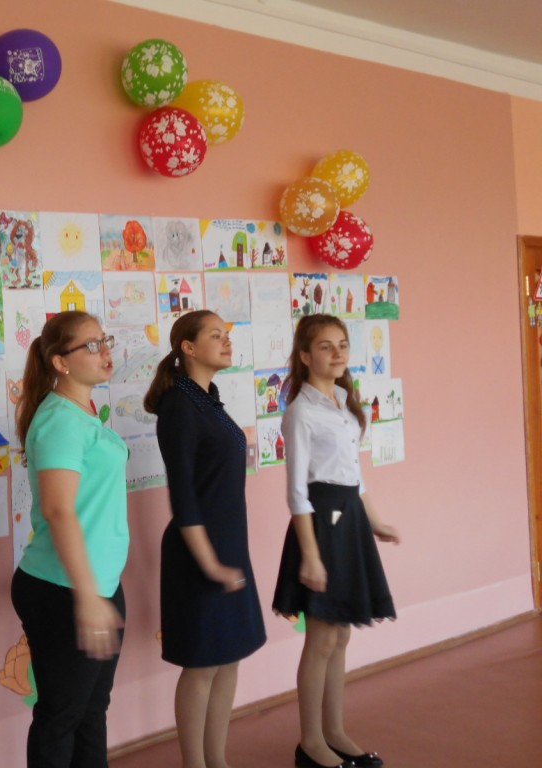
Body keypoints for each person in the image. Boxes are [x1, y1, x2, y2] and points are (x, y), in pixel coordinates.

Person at [271, 314, 400, 768]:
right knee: (321, 638)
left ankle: (335, 731)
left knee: (341, 634)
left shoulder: (344, 405)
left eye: (342, 344)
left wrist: (375, 521)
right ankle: (311, 743)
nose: (338, 352)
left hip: (349, 520)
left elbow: (354, 478)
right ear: (306, 356)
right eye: (326, 346)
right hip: (321, 524)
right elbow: (297, 492)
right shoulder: (300, 412)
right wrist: (310, 554)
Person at [143, 310, 266, 768]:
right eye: (216, 335)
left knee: (229, 659)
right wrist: (209, 562)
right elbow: (184, 497)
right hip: (198, 553)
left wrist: (225, 557)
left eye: (227, 334)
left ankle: (218, 761)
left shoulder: (208, 401)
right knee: (202, 665)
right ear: (188, 348)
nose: (226, 341)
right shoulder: (179, 405)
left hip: (229, 546)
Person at [10, 311, 129, 768]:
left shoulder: (84, 413)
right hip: (64, 589)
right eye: (92, 345)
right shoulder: (60, 420)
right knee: (61, 716)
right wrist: (87, 595)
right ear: (60, 362)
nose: (105, 352)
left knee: (91, 711)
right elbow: (59, 511)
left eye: (105, 340)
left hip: (98, 584)